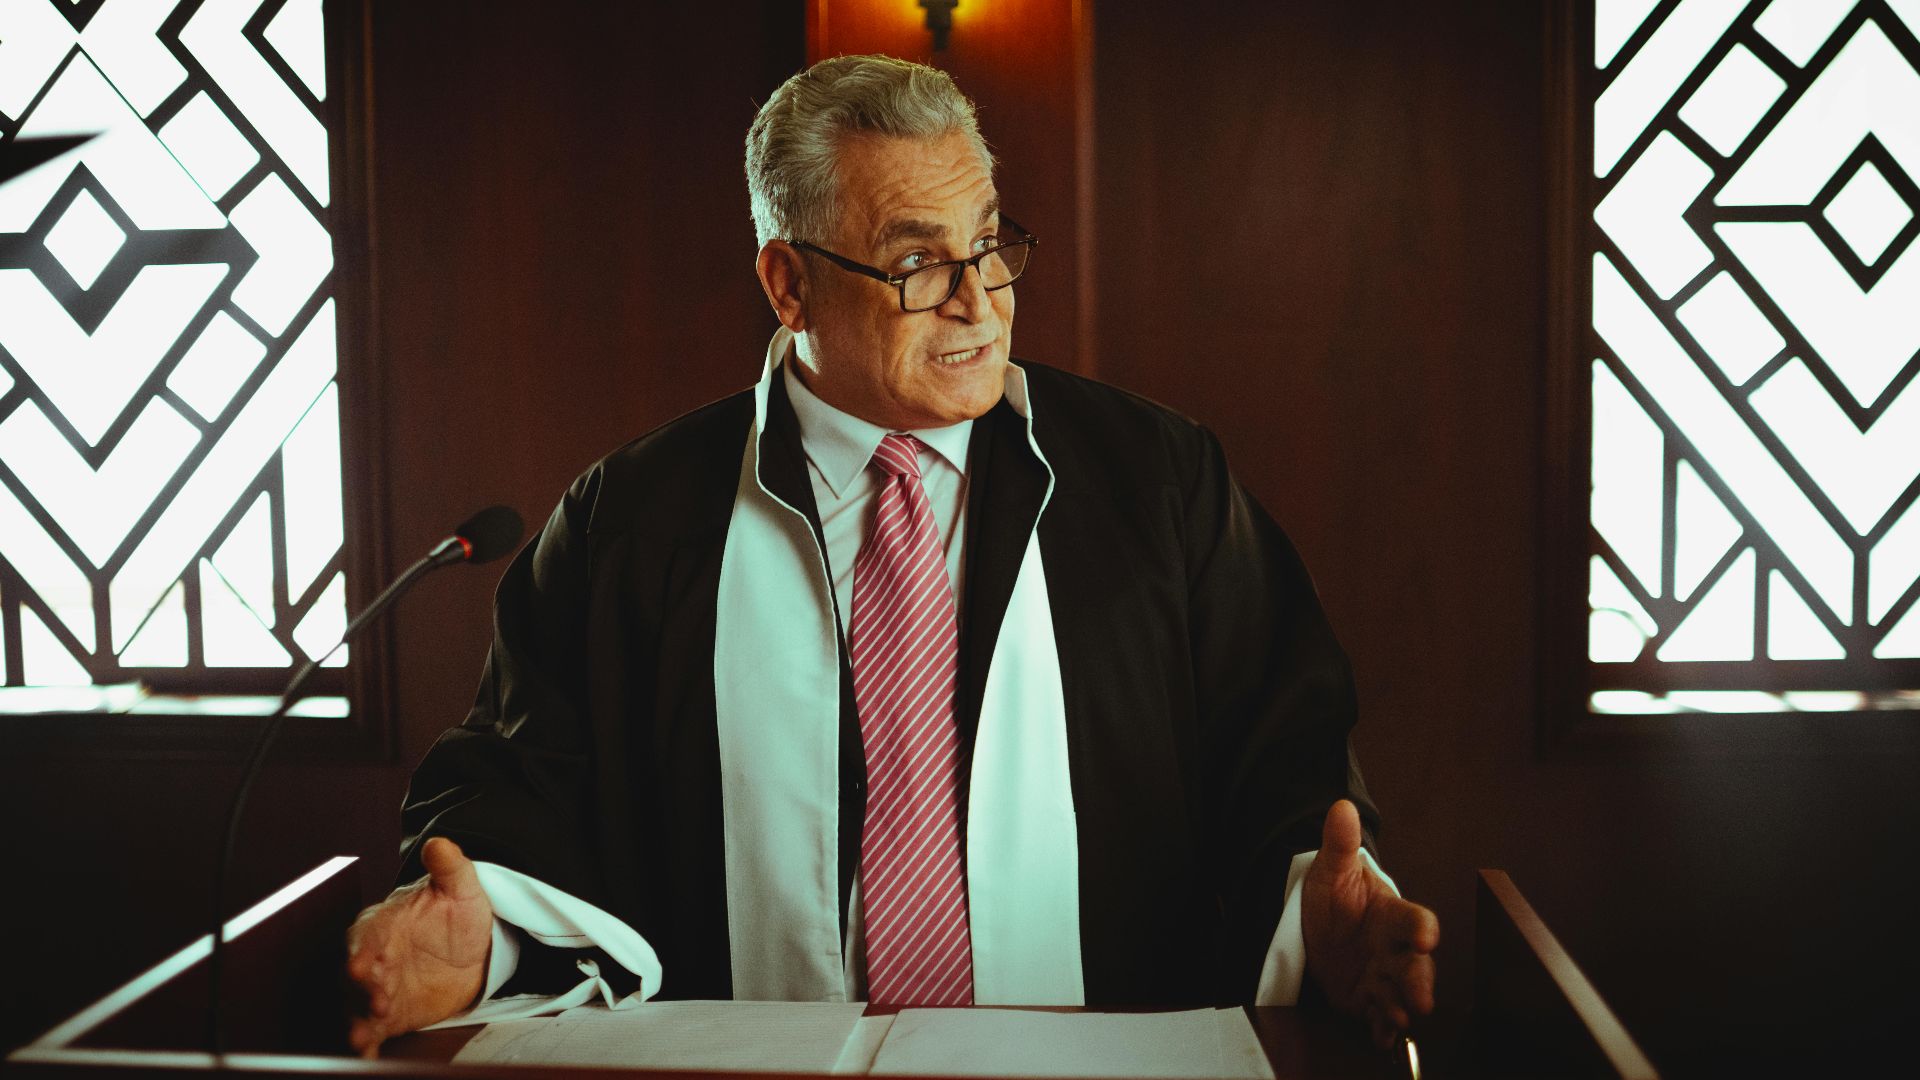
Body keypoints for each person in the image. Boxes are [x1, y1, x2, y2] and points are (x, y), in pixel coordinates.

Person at [345, 54, 1438, 1058]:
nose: (978, 301)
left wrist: (1317, 910)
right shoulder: (634, 520)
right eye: (918, 261)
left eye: (990, 244)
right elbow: (521, 788)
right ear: (788, 284)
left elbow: (1283, 755)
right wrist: (481, 940)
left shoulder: (1157, 481)